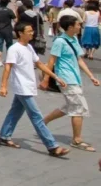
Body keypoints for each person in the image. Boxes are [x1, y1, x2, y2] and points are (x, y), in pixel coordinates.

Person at [0, 20, 70, 156]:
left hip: (28, 86)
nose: (32, 33)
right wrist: (3, 86)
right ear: (20, 33)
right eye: (29, 31)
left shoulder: (29, 47)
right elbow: (8, 67)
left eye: (32, 31)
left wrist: (55, 77)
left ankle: (4, 136)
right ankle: (52, 146)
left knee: (15, 112)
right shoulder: (14, 49)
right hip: (22, 87)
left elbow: (40, 64)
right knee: (37, 117)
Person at [42, 15, 101, 152]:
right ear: (70, 27)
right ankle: (77, 139)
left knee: (70, 106)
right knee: (78, 107)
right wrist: (46, 79)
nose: (80, 27)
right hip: (65, 79)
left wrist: (91, 76)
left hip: (75, 78)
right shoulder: (59, 41)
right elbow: (51, 61)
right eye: (78, 25)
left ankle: (43, 121)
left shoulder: (73, 39)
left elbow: (79, 59)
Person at [0, 0, 17, 67]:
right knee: (9, 45)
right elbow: (15, 20)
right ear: (7, 3)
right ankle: (9, 59)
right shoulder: (9, 11)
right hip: (8, 30)